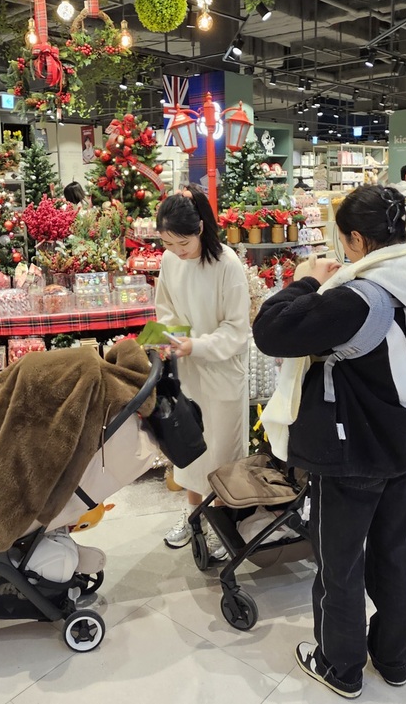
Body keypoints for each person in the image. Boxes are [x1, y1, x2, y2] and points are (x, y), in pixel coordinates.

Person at [253, 185, 406, 700]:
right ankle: (393, 658)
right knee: (394, 551)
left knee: (339, 561)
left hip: (351, 448)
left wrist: (304, 282)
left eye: (342, 240)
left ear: (358, 240)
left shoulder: (357, 296)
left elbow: (272, 331)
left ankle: (339, 665)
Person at [155, 185, 251, 561]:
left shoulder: (227, 264)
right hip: (187, 367)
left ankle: (221, 522)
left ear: (201, 228)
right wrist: (172, 337)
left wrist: (198, 345)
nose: (177, 252)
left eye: (183, 243)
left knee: (223, 453)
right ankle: (194, 515)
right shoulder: (169, 262)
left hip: (222, 368)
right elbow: (164, 307)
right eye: (168, 244)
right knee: (190, 448)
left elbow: (237, 329)